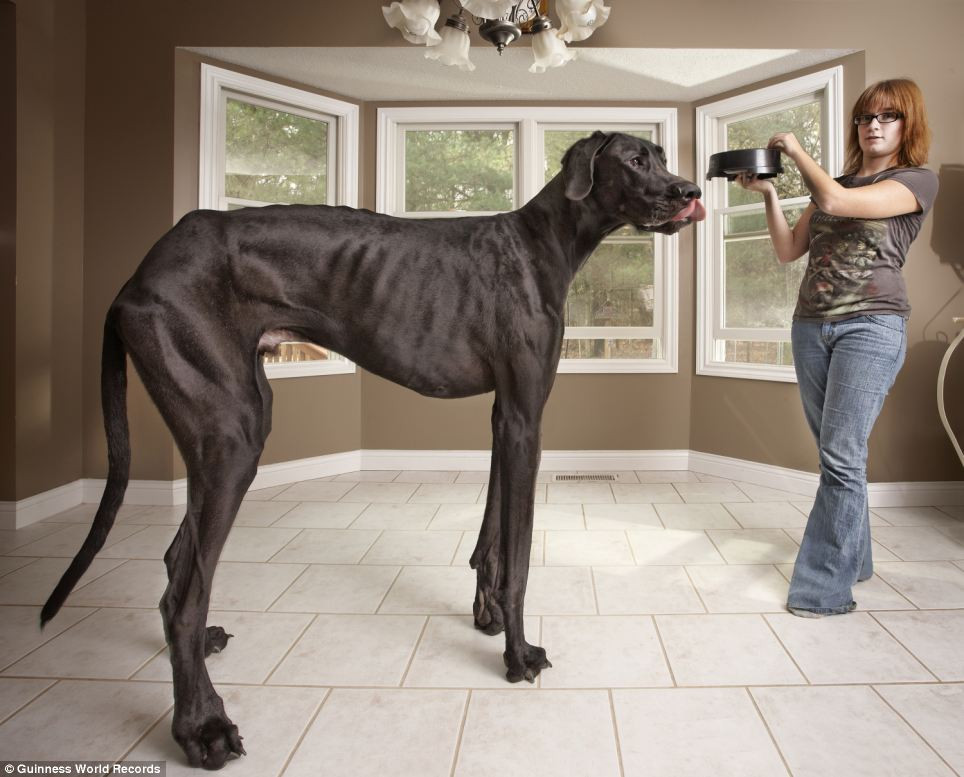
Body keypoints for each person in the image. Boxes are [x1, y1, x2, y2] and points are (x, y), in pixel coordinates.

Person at [737, 78, 939, 616]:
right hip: (811, 326)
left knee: (841, 457)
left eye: (888, 116)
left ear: (907, 126)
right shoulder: (840, 180)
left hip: (871, 327)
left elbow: (836, 200)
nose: (873, 125)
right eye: (865, 117)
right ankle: (858, 559)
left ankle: (822, 591)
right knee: (839, 458)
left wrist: (797, 151)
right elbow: (788, 250)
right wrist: (771, 194)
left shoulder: (916, 180)